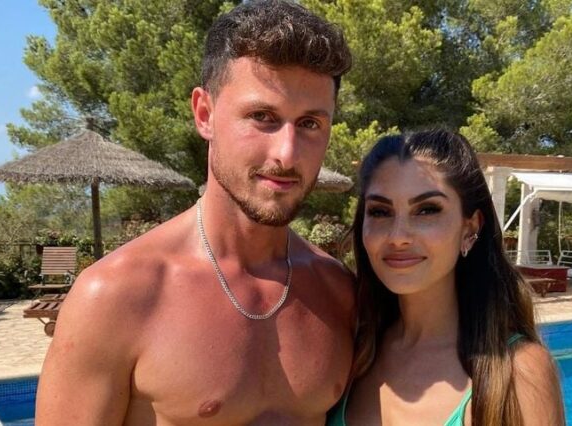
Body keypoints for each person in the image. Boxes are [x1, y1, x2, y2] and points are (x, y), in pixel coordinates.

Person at [35, 1, 355, 424]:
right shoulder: (117, 296)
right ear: (204, 114)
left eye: (310, 123)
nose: (286, 153)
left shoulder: (338, 292)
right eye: (262, 117)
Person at [328, 130, 565, 425]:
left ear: (470, 228)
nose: (398, 236)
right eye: (380, 212)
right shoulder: (350, 349)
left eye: (427, 210)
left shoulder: (517, 373)